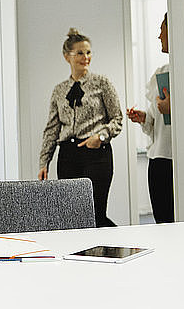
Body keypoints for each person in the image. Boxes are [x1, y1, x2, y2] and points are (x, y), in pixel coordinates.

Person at [38, 28, 123, 227]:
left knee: (95, 214)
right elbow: (52, 128)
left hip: (97, 155)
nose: (86, 57)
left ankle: (109, 251)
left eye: (88, 52)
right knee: (72, 218)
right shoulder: (59, 90)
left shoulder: (102, 83)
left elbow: (117, 118)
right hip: (68, 156)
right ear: (67, 57)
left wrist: (100, 137)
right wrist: (44, 161)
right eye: (80, 53)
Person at [127, 13, 174, 223]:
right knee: (163, 221)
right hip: (159, 158)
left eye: (162, 29)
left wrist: (173, 108)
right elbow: (155, 122)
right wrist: (143, 118)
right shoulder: (160, 73)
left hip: (181, 159)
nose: (158, 36)